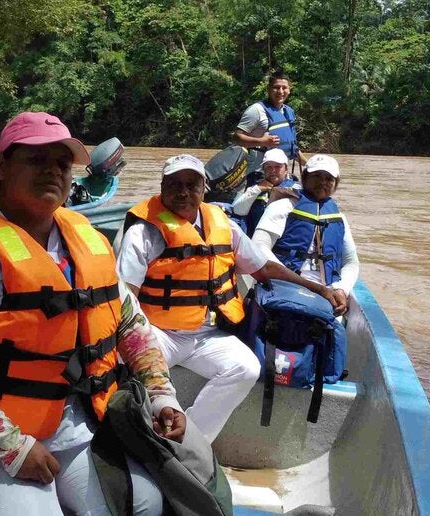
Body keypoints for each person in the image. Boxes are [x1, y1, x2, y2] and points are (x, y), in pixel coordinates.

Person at [0, 112, 181, 515]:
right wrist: (11, 446)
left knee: (142, 504)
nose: (52, 171)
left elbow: (130, 323)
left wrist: (162, 395)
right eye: (37, 160)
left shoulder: (85, 237)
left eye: (61, 163)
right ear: (2, 166)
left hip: (70, 426)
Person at [116, 154, 346, 443]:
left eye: (192, 184)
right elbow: (125, 299)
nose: (183, 192)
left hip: (207, 334)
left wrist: (319, 289)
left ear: (204, 188)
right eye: (174, 184)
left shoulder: (223, 223)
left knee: (247, 367)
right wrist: (138, 346)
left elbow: (262, 267)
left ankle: (191, 441)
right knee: (117, 364)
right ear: (162, 187)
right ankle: (139, 434)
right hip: (159, 334)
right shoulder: (143, 232)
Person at [251, 154, 360, 297]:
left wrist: (342, 289)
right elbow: (258, 247)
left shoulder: (339, 218)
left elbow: (350, 262)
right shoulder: (283, 206)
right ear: (304, 178)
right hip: (285, 286)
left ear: (335, 184)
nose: (323, 182)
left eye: (329, 179)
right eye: (317, 176)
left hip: (327, 290)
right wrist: (307, 286)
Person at [233, 71, 308, 173]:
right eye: (276, 87)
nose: (280, 91)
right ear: (268, 89)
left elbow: (292, 148)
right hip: (257, 173)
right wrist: (262, 141)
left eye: (284, 88)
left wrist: (309, 165)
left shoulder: (289, 112)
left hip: (280, 174)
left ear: (289, 90)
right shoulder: (256, 110)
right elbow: (237, 138)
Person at [230, 148, 296, 236]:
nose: (273, 170)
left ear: (286, 169)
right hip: (256, 241)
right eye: (268, 166)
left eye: (277, 166)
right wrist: (257, 189)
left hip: (283, 243)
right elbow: (238, 210)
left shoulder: (296, 189)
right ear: (263, 170)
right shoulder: (255, 188)